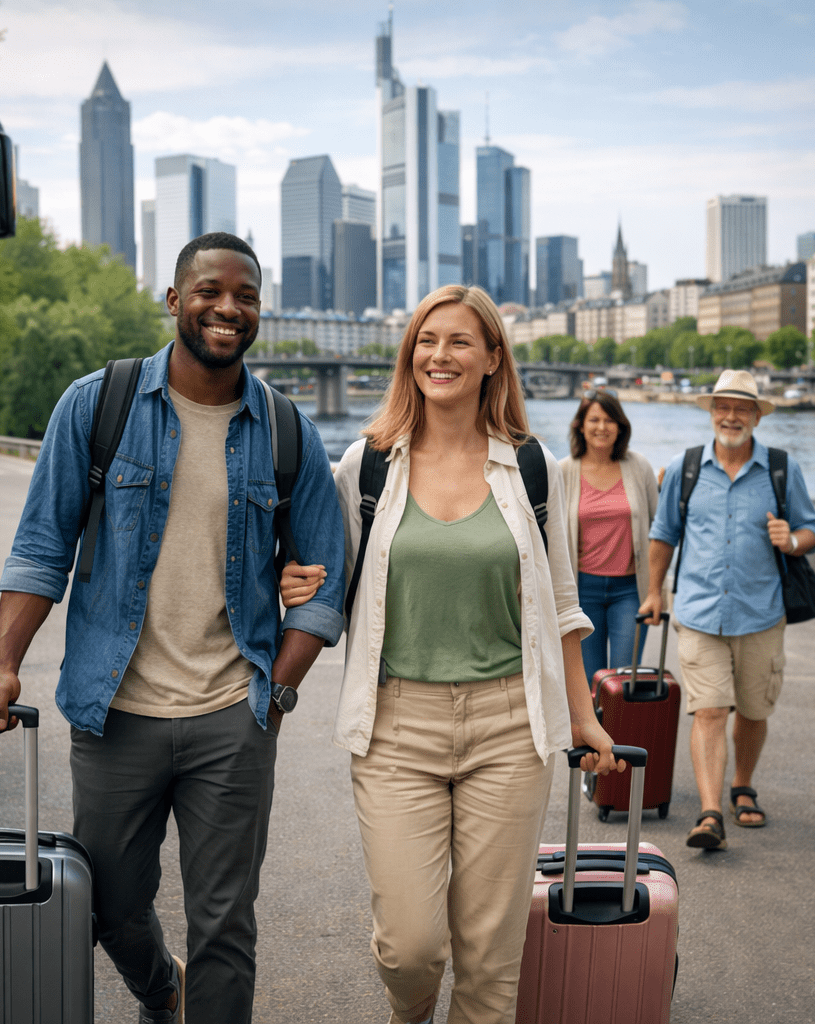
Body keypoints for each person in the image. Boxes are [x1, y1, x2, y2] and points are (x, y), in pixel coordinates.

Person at [0, 232, 346, 1024]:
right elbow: (41, 547)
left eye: (245, 296)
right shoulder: (97, 405)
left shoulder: (288, 432)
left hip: (232, 714)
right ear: (175, 300)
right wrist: (5, 663)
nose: (228, 308)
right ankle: (162, 992)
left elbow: (323, 586)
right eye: (210, 291)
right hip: (115, 710)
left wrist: (276, 693)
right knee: (107, 904)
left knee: (225, 926)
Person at [282, 285, 622, 1024]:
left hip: (510, 726)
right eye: (427, 340)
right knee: (411, 949)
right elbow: (326, 577)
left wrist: (584, 716)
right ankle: (410, 1012)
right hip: (396, 726)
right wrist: (295, 579)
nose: (440, 355)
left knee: (490, 960)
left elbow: (563, 606)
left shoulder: (535, 468)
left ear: (493, 357)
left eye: (461, 340)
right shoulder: (367, 465)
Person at [638, 370, 815, 851]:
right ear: (712, 412)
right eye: (723, 407)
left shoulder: (782, 469)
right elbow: (664, 533)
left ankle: (742, 784)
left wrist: (792, 540)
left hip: (762, 612)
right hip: (699, 612)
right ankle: (710, 812)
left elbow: (812, 529)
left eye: (742, 408)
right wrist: (654, 592)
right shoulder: (685, 467)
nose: (731, 416)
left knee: (754, 711)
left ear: (758, 416)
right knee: (711, 710)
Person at [558, 391, 660, 682]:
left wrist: (656, 590)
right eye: (594, 420)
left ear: (620, 426)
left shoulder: (639, 466)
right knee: (589, 683)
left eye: (609, 420)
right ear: (580, 426)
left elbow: (659, 528)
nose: (602, 427)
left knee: (623, 682)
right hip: (581, 592)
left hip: (630, 591)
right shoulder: (563, 471)